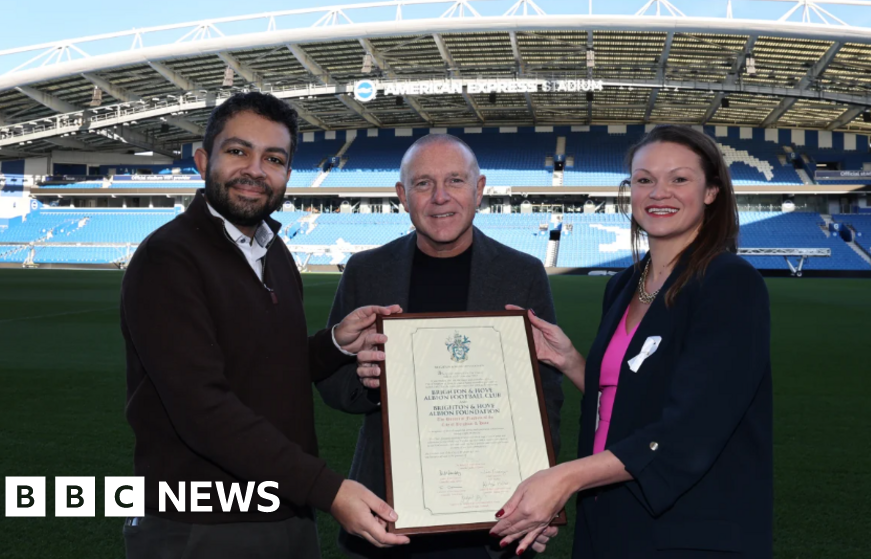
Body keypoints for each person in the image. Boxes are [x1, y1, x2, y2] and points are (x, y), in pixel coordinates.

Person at [120, 92, 410, 559]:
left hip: (283, 509)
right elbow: (204, 411)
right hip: (203, 525)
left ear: (287, 174)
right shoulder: (168, 258)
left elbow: (267, 365)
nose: (255, 170)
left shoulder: (273, 250)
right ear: (202, 160)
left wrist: (335, 344)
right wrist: (330, 489)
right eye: (238, 151)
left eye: (273, 158)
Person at [490, 125, 773, 558]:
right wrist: (571, 363)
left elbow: (692, 430)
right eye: (644, 180)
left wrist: (565, 478)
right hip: (608, 517)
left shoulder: (729, 282)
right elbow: (634, 400)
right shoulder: (625, 285)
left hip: (688, 529)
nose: (659, 193)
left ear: (712, 191)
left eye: (679, 179)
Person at [316, 134, 564, 558]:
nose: (440, 198)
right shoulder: (366, 270)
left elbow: (546, 396)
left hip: (491, 509)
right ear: (402, 195)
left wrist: (542, 497)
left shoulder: (521, 274)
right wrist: (369, 381)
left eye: (455, 181)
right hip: (388, 505)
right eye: (423, 183)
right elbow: (333, 380)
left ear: (479, 189)